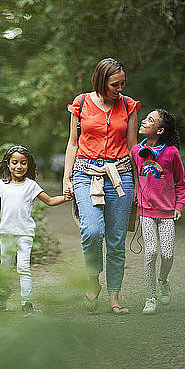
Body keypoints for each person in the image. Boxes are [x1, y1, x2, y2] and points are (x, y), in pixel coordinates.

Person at [62, 58, 140, 314]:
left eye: (123, 83)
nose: (120, 88)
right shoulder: (81, 102)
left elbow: (132, 149)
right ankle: (93, 282)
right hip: (85, 174)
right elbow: (73, 143)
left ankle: (114, 296)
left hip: (120, 176)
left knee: (116, 240)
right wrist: (67, 178)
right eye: (114, 84)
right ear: (101, 80)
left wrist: (140, 186)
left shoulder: (128, 105)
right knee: (92, 231)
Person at [0, 145, 71, 316]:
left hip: (25, 233)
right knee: (5, 268)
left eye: (23, 163)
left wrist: (67, 197)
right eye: (15, 163)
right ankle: (2, 299)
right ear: (8, 164)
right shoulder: (1, 185)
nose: (19, 166)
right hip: (6, 233)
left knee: (23, 267)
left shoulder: (31, 185)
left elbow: (50, 201)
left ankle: (27, 303)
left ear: (28, 165)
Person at [130, 109, 185, 315]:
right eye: (145, 118)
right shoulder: (136, 150)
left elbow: (181, 183)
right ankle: (150, 297)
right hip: (145, 211)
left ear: (160, 130)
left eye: (150, 120)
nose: (144, 121)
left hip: (166, 213)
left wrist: (179, 206)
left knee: (168, 254)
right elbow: (134, 178)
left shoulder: (171, 153)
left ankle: (163, 280)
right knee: (151, 253)